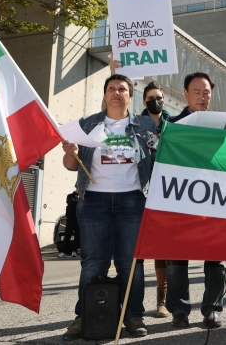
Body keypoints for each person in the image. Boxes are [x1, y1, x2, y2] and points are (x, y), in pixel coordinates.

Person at [61, 74, 155, 341]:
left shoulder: (146, 125)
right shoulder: (86, 124)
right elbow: (71, 165)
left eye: (122, 89)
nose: (116, 92)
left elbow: (161, 157)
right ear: (104, 94)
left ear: (130, 96)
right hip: (93, 201)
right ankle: (84, 317)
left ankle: (133, 316)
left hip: (133, 200)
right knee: (93, 263)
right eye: (111, 88)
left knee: (131, 263)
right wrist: (70, 152)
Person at [164, 72, 226, 330]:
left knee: (216, 256)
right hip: (181, 197)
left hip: (216, 197)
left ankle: (212, 309)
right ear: (186, 93)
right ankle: (179, 310)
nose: (202, 97)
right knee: (177, 256)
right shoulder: (171, 125)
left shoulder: (225, 125)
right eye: (196, 92)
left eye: (206, 93)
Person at [137, 81, 173, 318]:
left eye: (159, 97)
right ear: (144, 101)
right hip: (140, 191)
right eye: (151, 97)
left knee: (162, 250)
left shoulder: (174, 126)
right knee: (136, 249)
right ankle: (132, 306)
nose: (155, 101)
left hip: (166, 193)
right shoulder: (135, 125)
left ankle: (162, 300)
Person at [58, 190, 79, 258]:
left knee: (77, 236)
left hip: (78, 219)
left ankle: (74, 251)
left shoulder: (81, 197)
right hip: (71, 218)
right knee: (67, 235)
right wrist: (81, 202)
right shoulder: (70, 196)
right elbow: (72, 202)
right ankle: (63, 251)